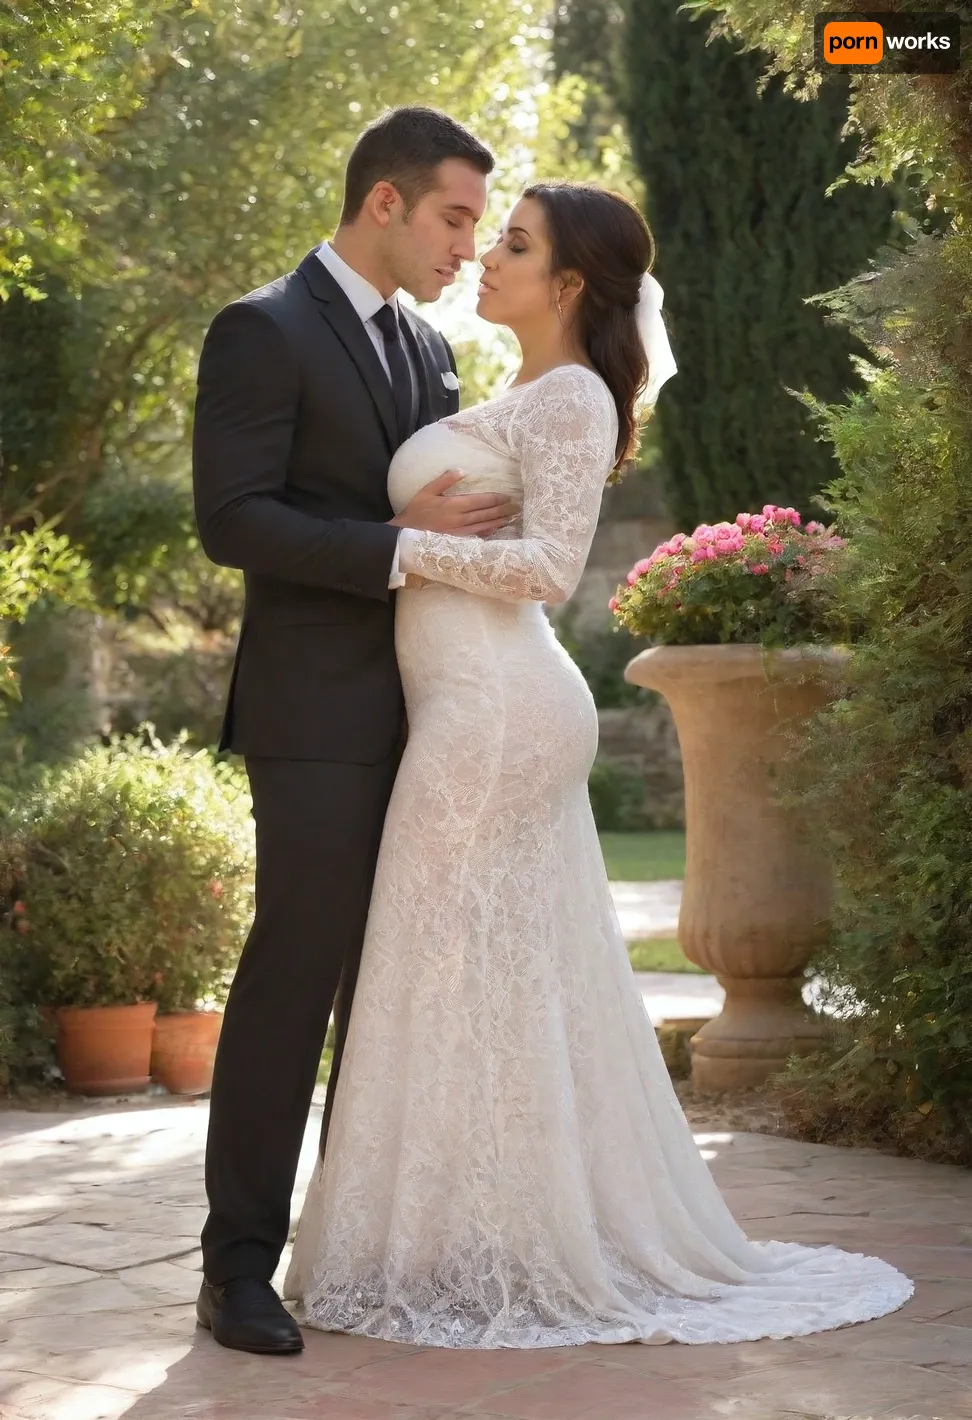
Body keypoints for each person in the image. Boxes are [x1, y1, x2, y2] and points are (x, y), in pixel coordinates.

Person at [282, 179, 914, 1348]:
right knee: (465, 977)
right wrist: (412, 542)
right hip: (470, 707)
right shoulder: (519, 389)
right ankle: (465, 1236)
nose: (487, 257)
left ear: (569, 285)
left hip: (498, 715)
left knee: (446, 971)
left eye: (513, 245)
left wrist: (403, 543)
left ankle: (484, 1247)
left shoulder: (569, 396)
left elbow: (547, 573)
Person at [191, 106, 517, 1355]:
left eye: (479, 228)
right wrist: (405, 545)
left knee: (399, 990)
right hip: (315, 714)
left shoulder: (432, 355)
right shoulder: (261, 330)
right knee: (300, 973)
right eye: (451, 218)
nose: (462, 248)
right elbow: (235, 520)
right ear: (383, 201)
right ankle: (236, 1270)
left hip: (432, 706)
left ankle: (360, 1247)